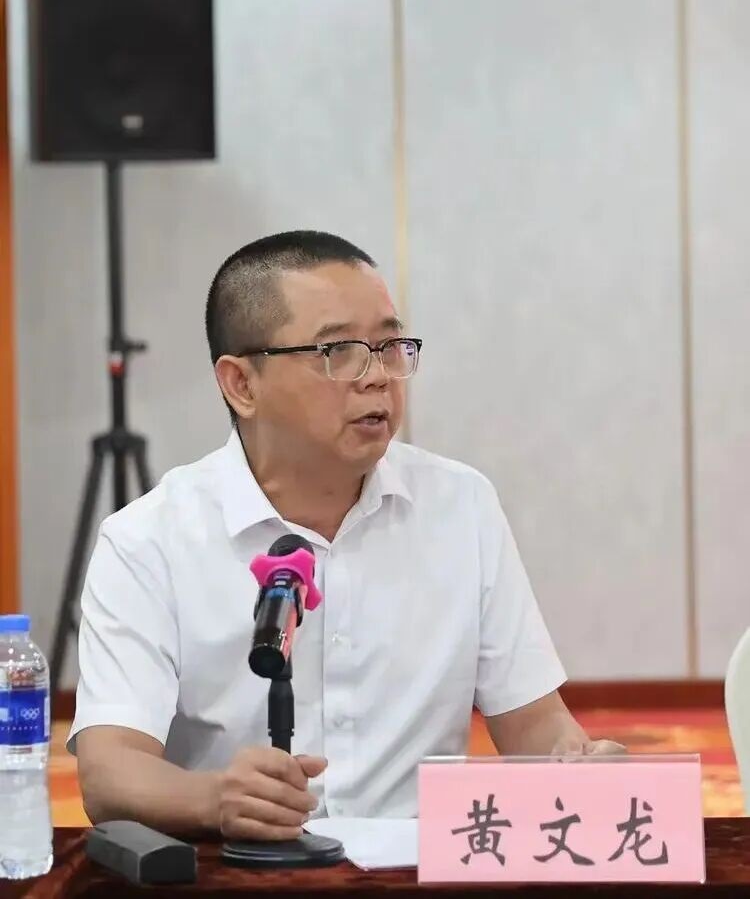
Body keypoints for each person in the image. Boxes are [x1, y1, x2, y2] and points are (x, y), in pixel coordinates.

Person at [70, 230, 622, 842]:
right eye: (339, 352)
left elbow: (535, 725)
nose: (378, 376)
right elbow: (110, 772)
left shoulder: (461, 507)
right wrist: (215, 798)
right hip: (241, 867)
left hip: (420, 871)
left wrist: (579, 763)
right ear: (242, 385)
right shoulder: (147, 541)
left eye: (389, 347)